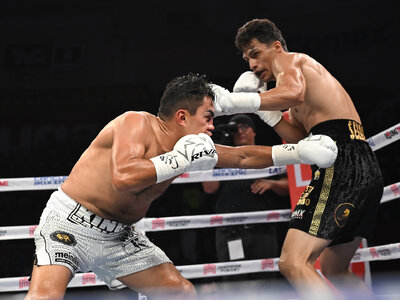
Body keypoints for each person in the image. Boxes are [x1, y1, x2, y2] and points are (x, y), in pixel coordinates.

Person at [25, 73, 337, 300]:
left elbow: (241, 156)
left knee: (180, 293)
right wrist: (177, 160)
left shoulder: (192, 148)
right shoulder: (135, 123)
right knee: (45, 297)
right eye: (208, 117)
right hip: (71, 224)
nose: (213, 126)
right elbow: (124, 177)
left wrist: (297, 153)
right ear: (182, 116)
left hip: (120, 236)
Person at [210, 18, 384, 298]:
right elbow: (299, 140)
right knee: (333, 268)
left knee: (292, 261)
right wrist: (264, 112)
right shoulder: (293, 87)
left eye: (255, 54)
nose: (252, 65)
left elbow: (292, 91)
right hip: (362, 165)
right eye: (247, 59)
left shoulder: (291, 62)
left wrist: (237, 102)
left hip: (341, 161)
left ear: (276, 47)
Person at [202, 114, 290, 282]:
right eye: (235, 128)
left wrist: (272, 184)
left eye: (244, 127)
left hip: (262, 230)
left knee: (266, 283)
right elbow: (209, 188)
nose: (240, 131)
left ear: (254, 131)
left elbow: (289, 186)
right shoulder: (221, 157)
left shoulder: (267, 154)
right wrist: (209, 151)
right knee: (236, 284)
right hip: (231, 231)